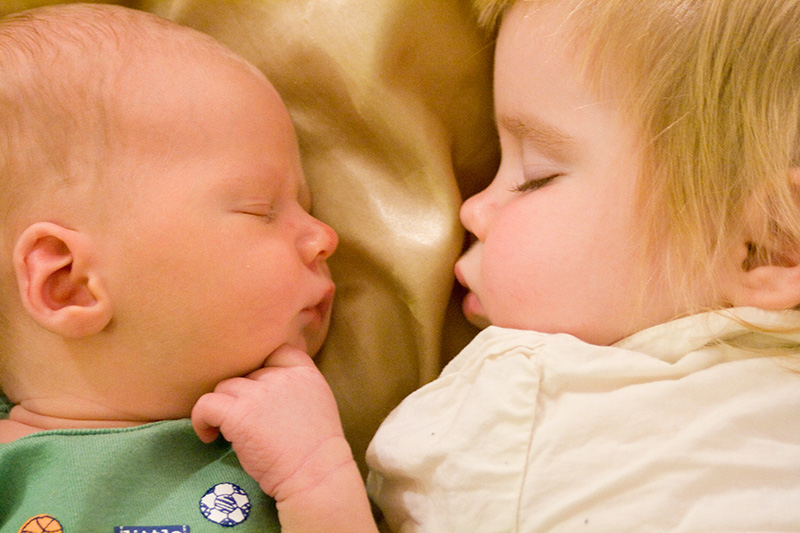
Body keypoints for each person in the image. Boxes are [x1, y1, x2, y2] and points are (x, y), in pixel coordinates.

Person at [366, 0, 800, 530]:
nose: (472, 209)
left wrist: (313, 474)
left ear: (771, 243)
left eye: (535, 175)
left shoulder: (521, 406)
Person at [0, 4, 377, 532]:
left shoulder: (286, 452)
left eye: (308, 207)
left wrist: (318, 479)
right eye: (260, 209)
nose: (324, 237)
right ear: (70, 284)